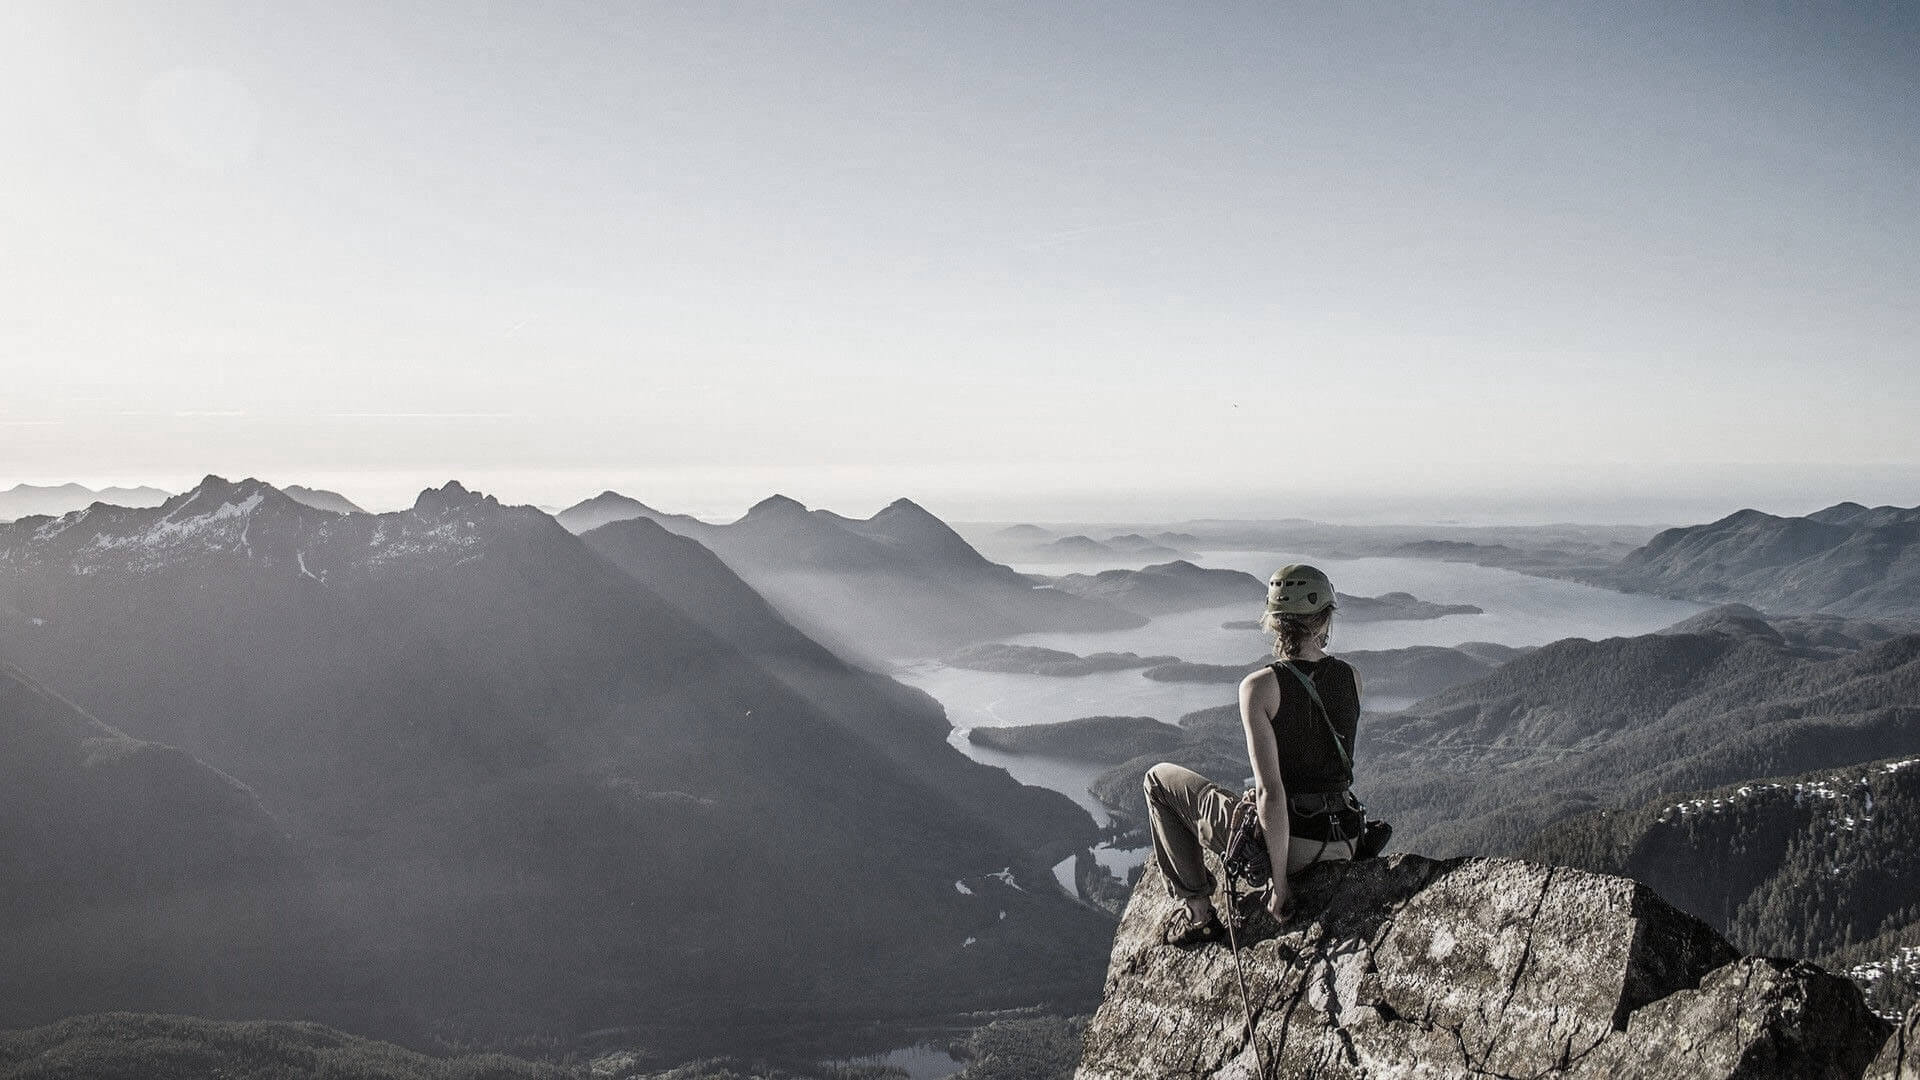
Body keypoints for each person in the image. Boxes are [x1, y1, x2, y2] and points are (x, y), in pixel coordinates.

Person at [1142, 563, 1364, 946]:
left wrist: (1279, 885)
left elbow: (1271, 793)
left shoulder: (1259, 687)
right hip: (1346, 839)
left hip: (1298, 849)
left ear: (1274, 621)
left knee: (1157, 780)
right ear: (1326, 617)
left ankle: (1197, 914)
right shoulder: (1351, 677)